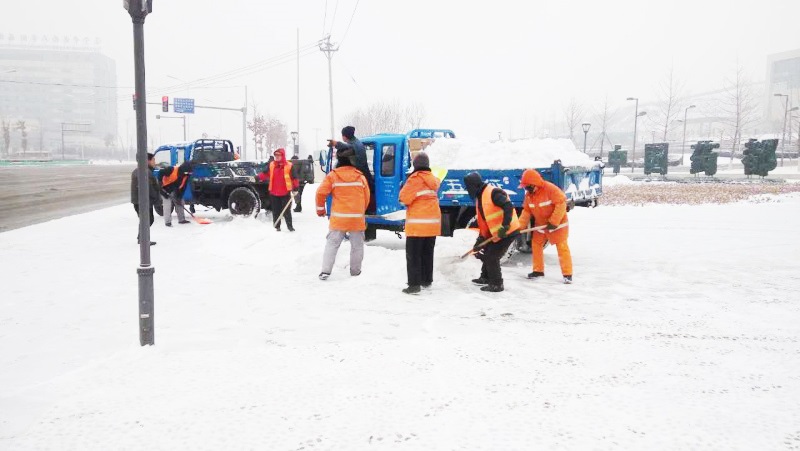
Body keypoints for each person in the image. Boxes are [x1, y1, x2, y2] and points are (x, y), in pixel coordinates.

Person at [315, 147, 370, 280]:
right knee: (357, 246)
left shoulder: (333, 176)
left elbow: (320, 193)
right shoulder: (360, 177)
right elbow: (366, 197)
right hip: (356, 219)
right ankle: (355, 271)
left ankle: (325, 271)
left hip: (339, 219)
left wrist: (320, 209)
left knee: (332, 244)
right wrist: (361, 211)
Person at [464, 172, 520, 292]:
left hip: (507, 231)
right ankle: (485, 277)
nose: (468, 191)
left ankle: (497, 284)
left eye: (468, 187)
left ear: (474, 186)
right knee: (487, 251)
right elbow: (484, 221)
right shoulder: (480, 197)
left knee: (492, 257)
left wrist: (505, 226)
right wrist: (481, 240)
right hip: (496, 232)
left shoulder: (493, 192)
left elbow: (508, 206)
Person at [517, 169, 573, 284]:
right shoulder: (529, 196)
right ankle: (538, 271)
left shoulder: (550, 189)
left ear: (534, 184)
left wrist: (554, 222)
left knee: (562, 248)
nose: (526, 189)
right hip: (541, 225)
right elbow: (526, 212)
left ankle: (567, 274)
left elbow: (561, 204)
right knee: (536, 244)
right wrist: (519, 228)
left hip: (558, 225)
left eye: (527, 187)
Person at [398, 152, 441, 295]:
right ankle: (426, 280)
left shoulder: (414, 179)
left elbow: (403, 198)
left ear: (415, 165)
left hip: (417, 225)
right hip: (432, 225)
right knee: (427, 253)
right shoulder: (433, 180)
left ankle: (414, 285)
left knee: (413, 255)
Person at [328, 125, 375, 215]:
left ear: (344, 136)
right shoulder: (358, 143)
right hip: (364, 174)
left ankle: (366, 210)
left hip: (360, 175)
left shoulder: (354, 145)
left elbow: (348, 147)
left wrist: (336, 144)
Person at [258, 148, 299, 231]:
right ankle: (277, 226)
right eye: (275, 155)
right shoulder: (272, 165)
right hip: (274, 192)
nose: (277, 157)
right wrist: (257, 177)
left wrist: (295, 188)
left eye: (278, 155)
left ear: (282, 155)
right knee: (275, 210)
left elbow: (294, 178)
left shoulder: (289, 165)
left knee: (286, 211)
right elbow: (265, 174)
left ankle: (290, 227)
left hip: (285, 192)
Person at [130, 152, 163, 245]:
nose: (154, 162)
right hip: (143, 201)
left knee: (146, 220)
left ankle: (141, 238)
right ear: (148, 160)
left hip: (140, 200)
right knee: (147, 220)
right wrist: (158, 201)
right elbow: (150, 189)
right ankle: (143, 239)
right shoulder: (145, 172)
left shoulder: (141, 170)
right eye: (153, 160)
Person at [160, 162, 191, 227]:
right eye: (187, 172)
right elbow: (161, 172)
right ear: (183, 169)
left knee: (180, 202)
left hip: (175, 190)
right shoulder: (171, 169)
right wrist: (160, 185)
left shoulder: (186, 175)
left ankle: (181, 220)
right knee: (167, 205)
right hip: (165, 189)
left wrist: (179, 196)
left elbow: (183, 187)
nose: (187, 174)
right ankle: (168, 222)